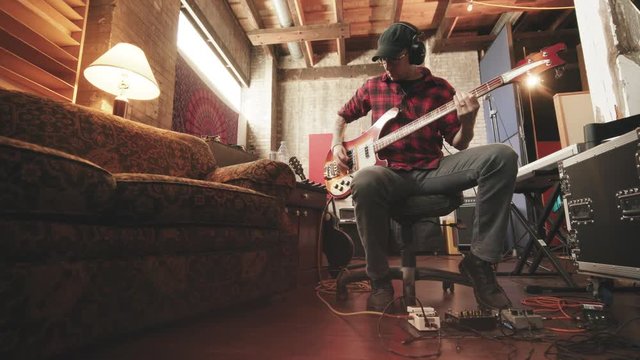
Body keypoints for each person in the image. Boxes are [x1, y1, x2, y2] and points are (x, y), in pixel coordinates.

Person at [331, 22, 518, 312]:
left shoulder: (440, 90)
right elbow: (342, 116)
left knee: (502, 156)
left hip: (432, 171)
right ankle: (379, 280)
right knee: (365, 180)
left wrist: (468, 120)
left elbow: (459, 144)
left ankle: (479, 261)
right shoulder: (373, 87)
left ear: (414, 53)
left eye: (393, 58)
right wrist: (336, 145)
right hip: (389, 173)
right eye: (382, 59)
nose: (386, 65)